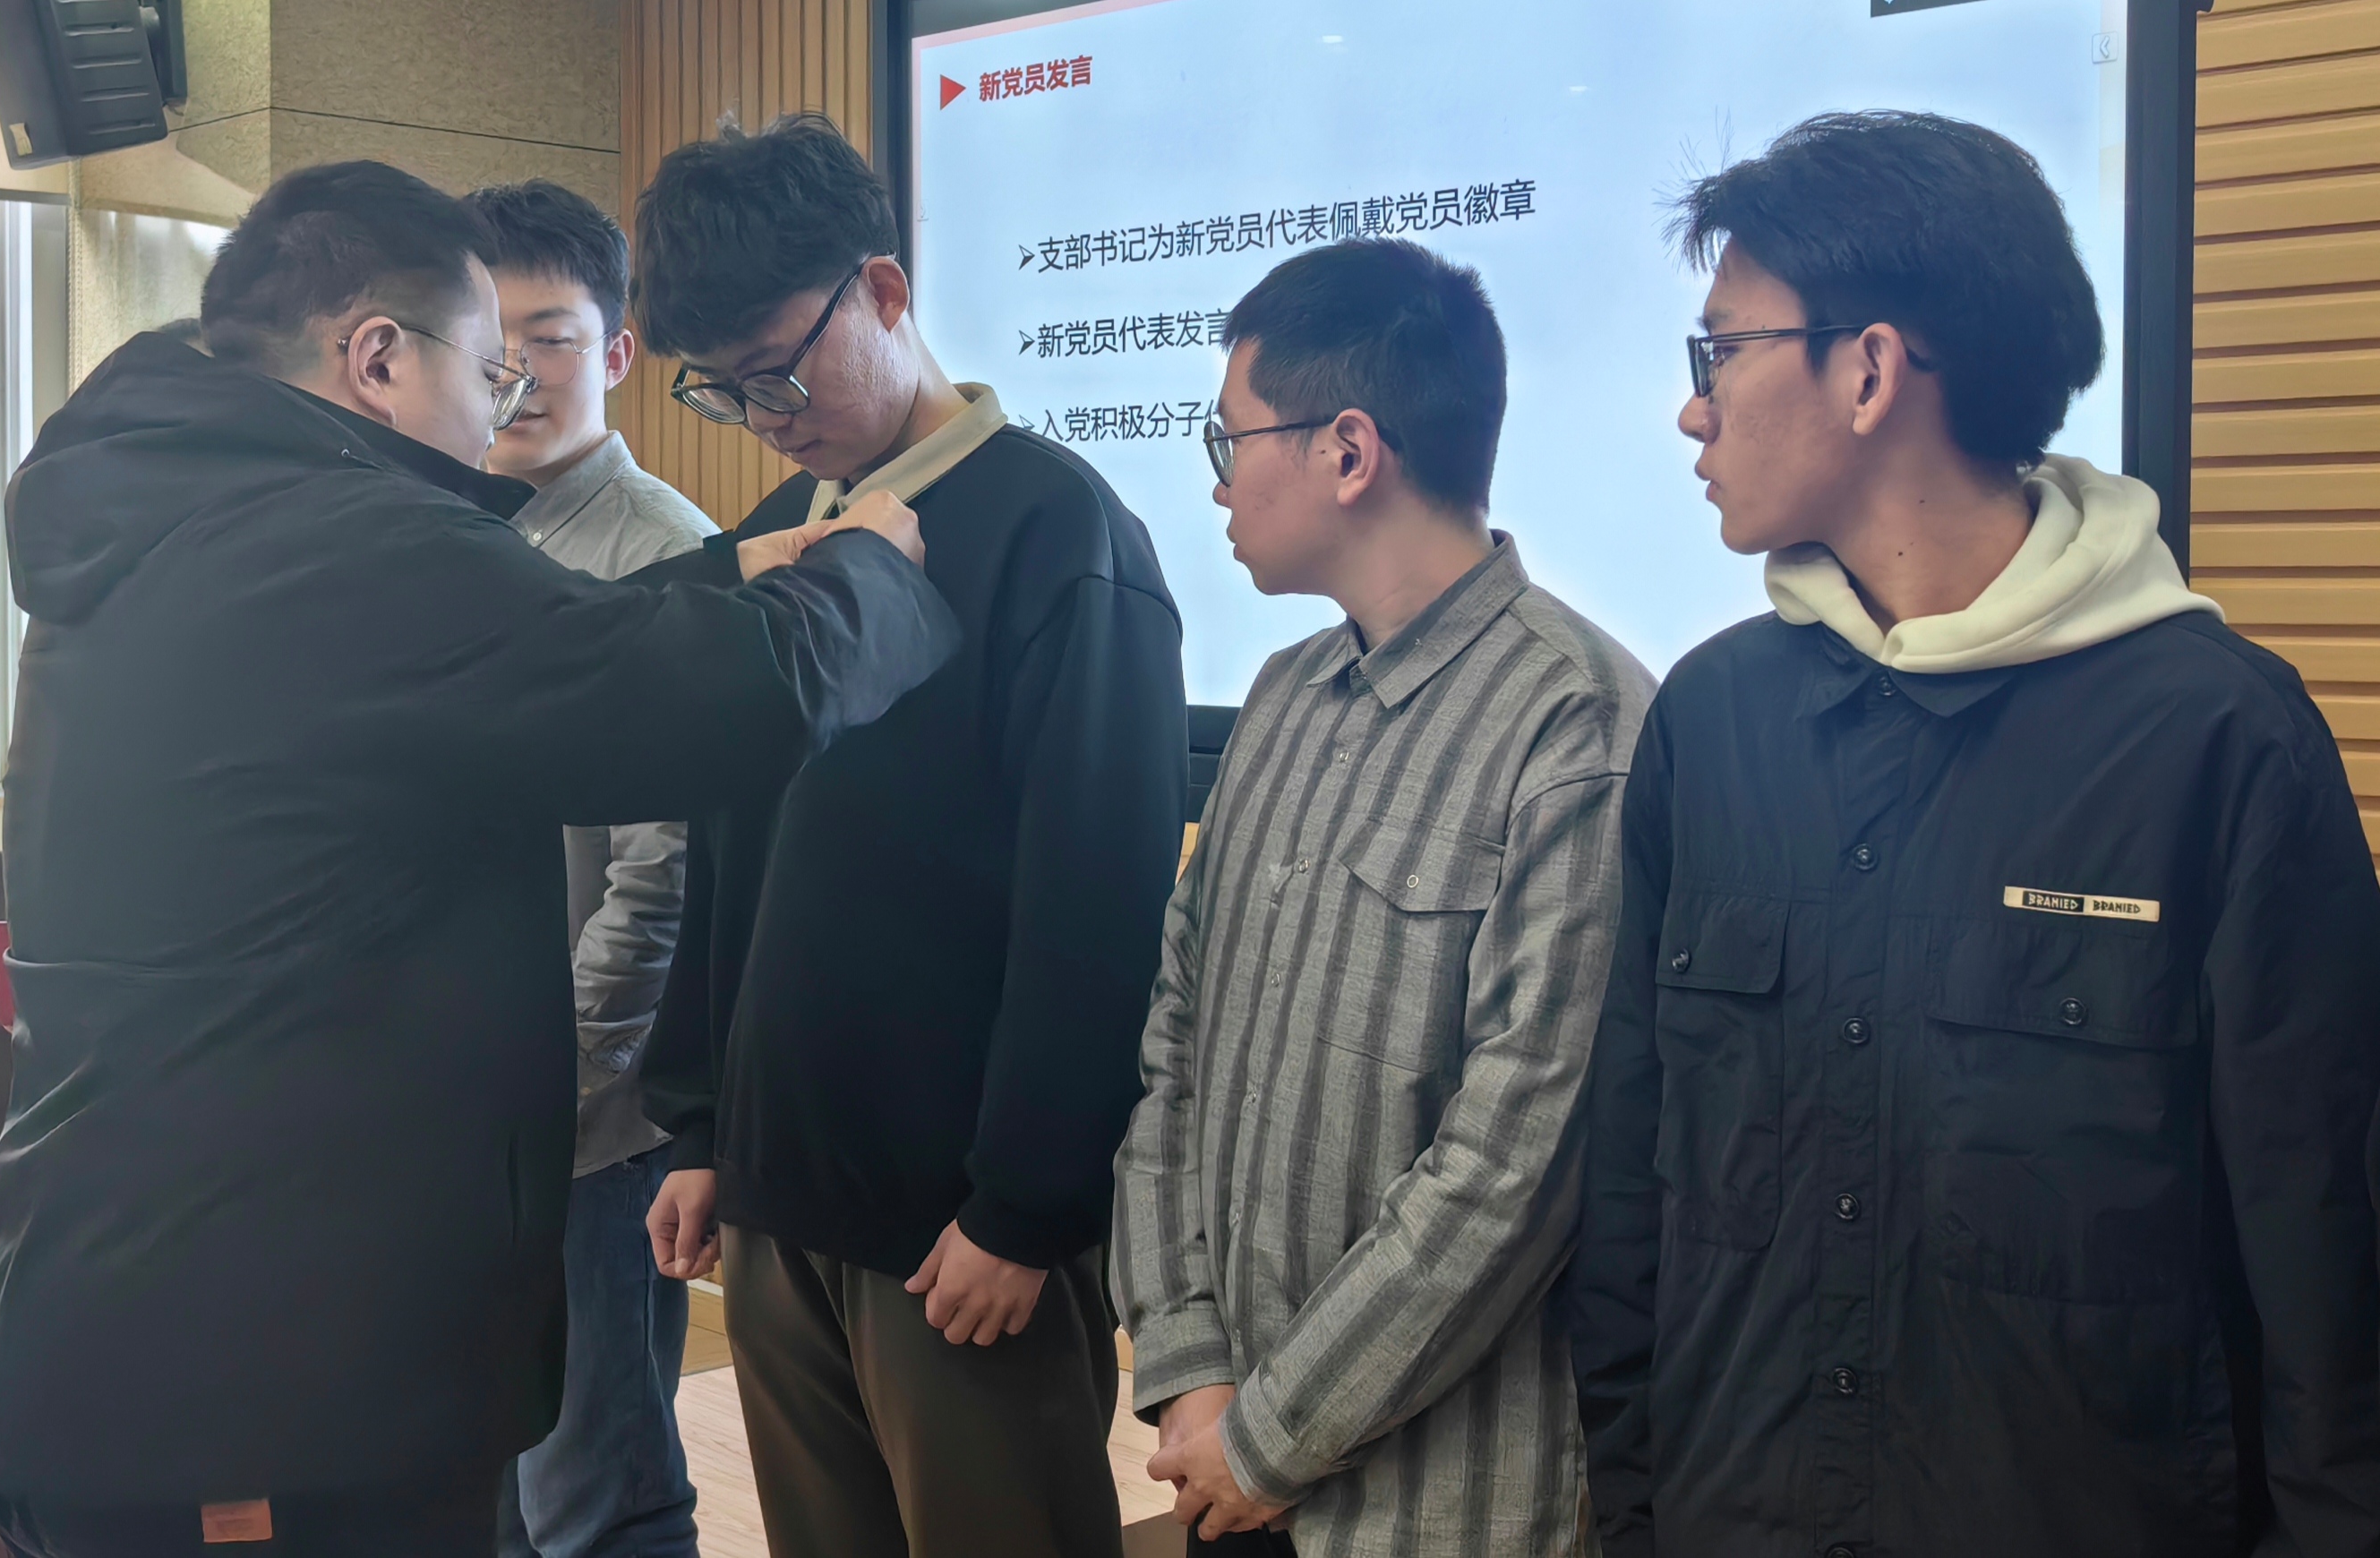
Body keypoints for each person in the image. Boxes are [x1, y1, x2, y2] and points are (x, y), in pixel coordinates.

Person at [0, 159, 959, 1558]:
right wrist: (874, 575)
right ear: (378, 357)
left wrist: (735, 570)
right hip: (260, 1384)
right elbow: (685, 702)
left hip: (159, 1319)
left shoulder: (192, 508)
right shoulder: (337, 538)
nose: (499, 410)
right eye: (489, 370)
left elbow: (535, 653)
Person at [1566, 110, 2380, 1556]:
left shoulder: (2218, 741)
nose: (1695, 411)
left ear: (1870, 369)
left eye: (1722, 352)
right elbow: (1634, 1188)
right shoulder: (1713, 721)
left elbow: (2325, 1260)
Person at [629, 112, 1186, 1558]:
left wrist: (1024, 1208)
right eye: (722, 390)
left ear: (882, 290)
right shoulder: (778, 532)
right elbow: (728, 857)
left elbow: (1099, 903)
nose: (764, 415)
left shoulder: (1060, 532)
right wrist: (705, 1128)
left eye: (779, 370)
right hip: (780, 1200)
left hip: (958, 1237)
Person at [1112, 240, 1650, 1556]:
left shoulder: (1577, 724)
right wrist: (1189, 1363)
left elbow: (1515, 1164)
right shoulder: (1283, 694)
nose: (1219, 481)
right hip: (1220, 1458)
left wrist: (1270, 1435)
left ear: (1350, 451)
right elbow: (1176, 1043)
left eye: (1230, 438)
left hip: (1443, 1504)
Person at [467, 179, 711, 1558]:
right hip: (452, 1122)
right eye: (487, 339)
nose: (515, 372)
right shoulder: (438, 543)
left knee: (596, 1496)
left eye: (549, 338)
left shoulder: (665, 556)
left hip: (586, 1130)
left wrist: (545, 1091)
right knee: (480, 1495)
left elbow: (657, 883)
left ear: (615, 350)